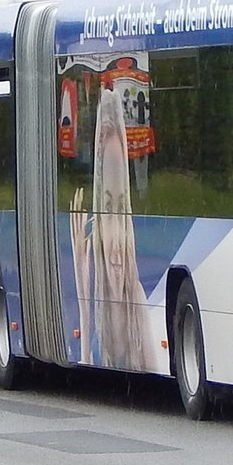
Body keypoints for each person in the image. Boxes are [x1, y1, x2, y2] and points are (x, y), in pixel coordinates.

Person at [69, 84, 154, 370]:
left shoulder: (137, 302)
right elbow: (84, 368)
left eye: (121, 208)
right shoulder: (93, 295)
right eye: (106, 209)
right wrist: (82, 301)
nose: (117, 239)